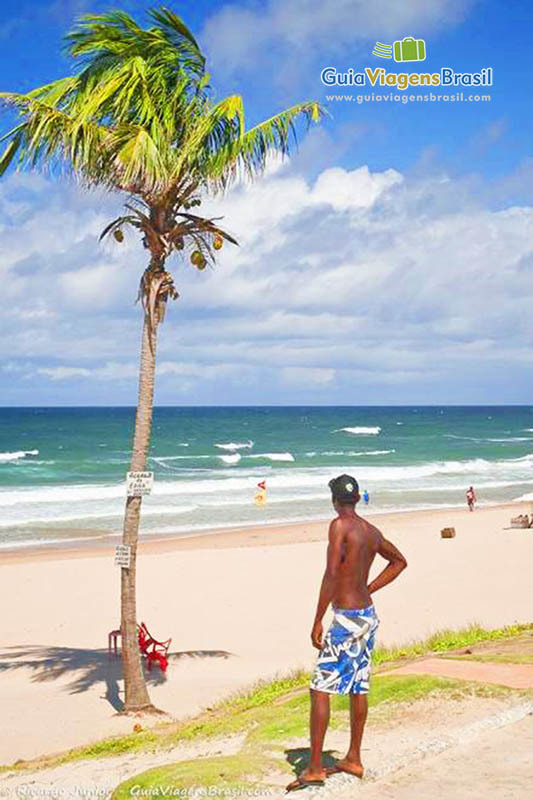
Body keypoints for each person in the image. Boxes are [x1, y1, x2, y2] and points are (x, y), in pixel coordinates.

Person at [286, 474, 407, 791]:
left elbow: (331, 573)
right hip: (367, 615)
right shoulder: (371, 531)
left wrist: (317, 618)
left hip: (347, 618)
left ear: (335, 500)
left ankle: (314, 768)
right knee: (358, 685)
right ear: (356, 498)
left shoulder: (339, 525)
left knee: (319, 687)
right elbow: (399, 562)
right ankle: (353, 758)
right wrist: (368, 589)